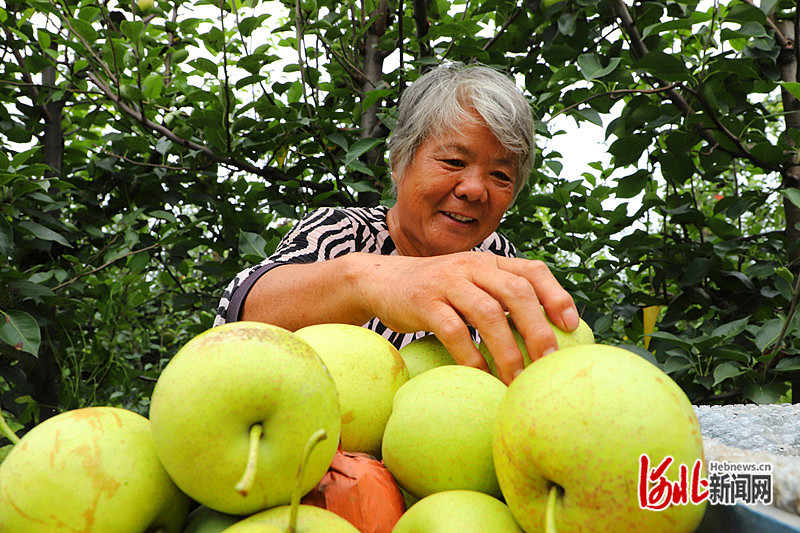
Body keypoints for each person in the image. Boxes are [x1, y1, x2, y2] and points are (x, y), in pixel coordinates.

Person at [214, 61, 579, 385]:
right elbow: (240, 315)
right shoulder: (340, 233)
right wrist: (367, 280)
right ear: (399, 160)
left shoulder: (497, 256)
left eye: (500, 175)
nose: (473, 189)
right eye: (453, 161)